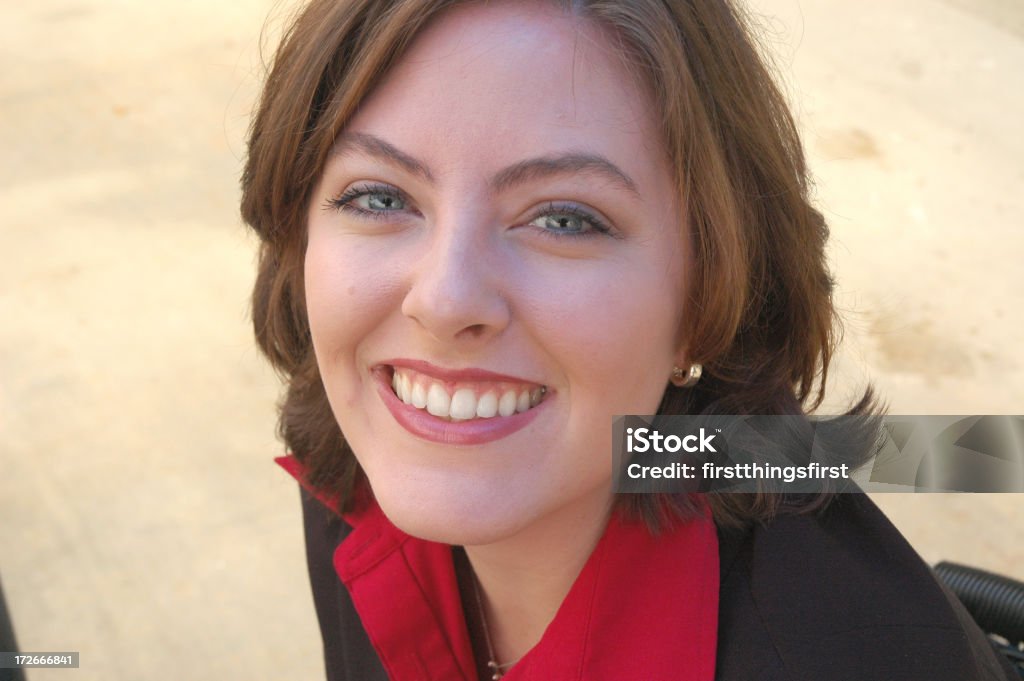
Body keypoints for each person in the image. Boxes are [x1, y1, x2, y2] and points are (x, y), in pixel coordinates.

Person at [240, 1, 1016, 679]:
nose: (444, 300)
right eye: (379, 196)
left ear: (706, 295)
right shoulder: (359, 478)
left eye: (566, 218)